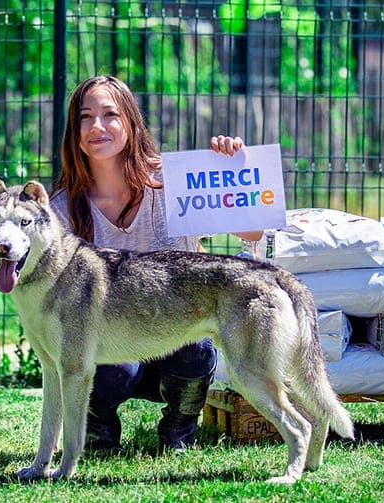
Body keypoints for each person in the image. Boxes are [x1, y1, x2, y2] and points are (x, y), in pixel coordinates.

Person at [49, 75, 263, 452]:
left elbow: (252, 233)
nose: (96, 126)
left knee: (197, 348)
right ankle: (97, 433)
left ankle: (178, 433)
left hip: (175, 338)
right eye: (85, 117)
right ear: (74, 130)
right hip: (111, 346)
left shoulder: (176, 182)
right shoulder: (63, 210)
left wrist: (235, 170)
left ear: (131, 123)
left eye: (109, 114)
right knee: (97, 362)